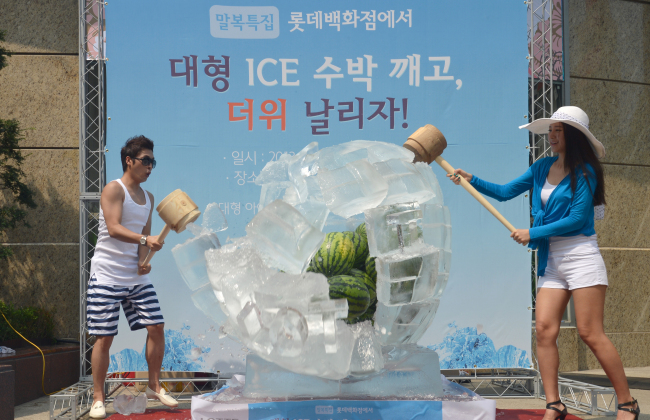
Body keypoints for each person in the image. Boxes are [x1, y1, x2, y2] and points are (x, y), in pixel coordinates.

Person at [448, 106, 639, 420]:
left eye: (558, 130)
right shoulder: (541, 167)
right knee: (544, 331)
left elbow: (578, 219)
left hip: (581, 257)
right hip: (551, 259)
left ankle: (627, 402)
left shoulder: (586, 172)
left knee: (590, 333)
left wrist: (532, 232)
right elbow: (506, 191)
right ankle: (555, 404)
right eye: (550, 129)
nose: (551, 135)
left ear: (573, 135)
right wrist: (472, 181)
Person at [87, 136, 178, 419]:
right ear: (130, 160)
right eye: (146, 161)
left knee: (157, 327)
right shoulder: (114, 189)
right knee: (104, 337)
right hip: (106, 275)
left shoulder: (148, 198)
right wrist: (145, 238)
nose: (150, 167)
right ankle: (98, 398)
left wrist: (143, 261)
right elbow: (113, 228)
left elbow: (143, 241)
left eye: (153, 162)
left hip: (134, 279)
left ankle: (153, 386)